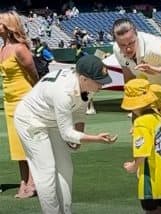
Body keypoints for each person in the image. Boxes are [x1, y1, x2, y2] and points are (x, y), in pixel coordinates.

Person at [14, 55, 117, 214]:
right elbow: (67, 133)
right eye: (99, 81)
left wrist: (79, 135)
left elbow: (80, 111)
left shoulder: (87, 86)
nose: (102, 85)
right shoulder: (63, 92)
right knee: (46, 171)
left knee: (65, 168)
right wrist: (95, 138)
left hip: (52, 119)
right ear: (83, 78)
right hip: (30, 121)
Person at [112, 18, 161, 214]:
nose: (127, 49)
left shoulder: (154, 46)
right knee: (151, 160)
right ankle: (158, 206)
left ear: (137, 35)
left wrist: (158, 69)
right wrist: (135, 115)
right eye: (123, 45)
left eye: (131, 43)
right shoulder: (116, 50)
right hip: (148, 104)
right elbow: (129, 80)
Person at [0, 10, 39, 198]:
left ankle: (32, 183)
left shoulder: (19, 48)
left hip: (24, 99)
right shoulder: (2, 48)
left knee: (27, 143)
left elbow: (33, 74)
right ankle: (23, 181)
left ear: (8, 26)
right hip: (9, 101)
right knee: (16, 145)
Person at [122, 79, 161, 214]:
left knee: (150, 208)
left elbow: (142, 152)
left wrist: (134, 166)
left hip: (150, 174)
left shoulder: (141, 122)